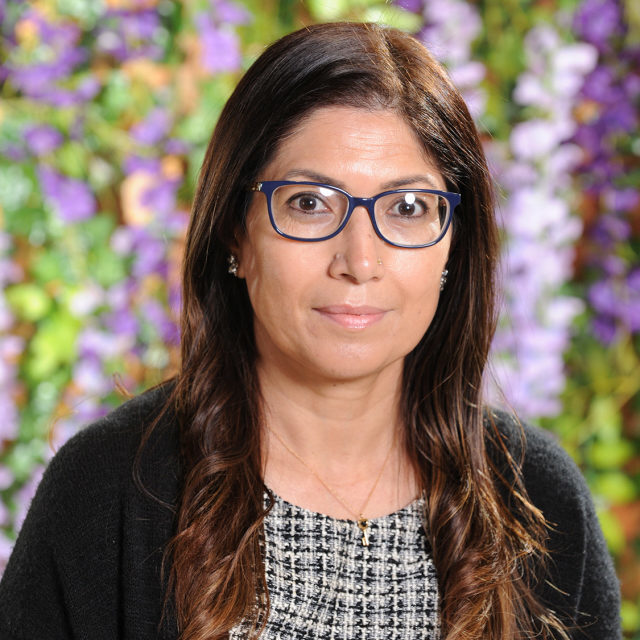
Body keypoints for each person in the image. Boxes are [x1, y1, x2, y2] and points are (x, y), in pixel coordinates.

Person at [0, 21, 620, 640]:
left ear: (453, 244)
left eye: (407, 208)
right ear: (236, 233)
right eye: (309, 203)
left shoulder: (540, 499)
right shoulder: (107, 489)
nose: (360, 261)